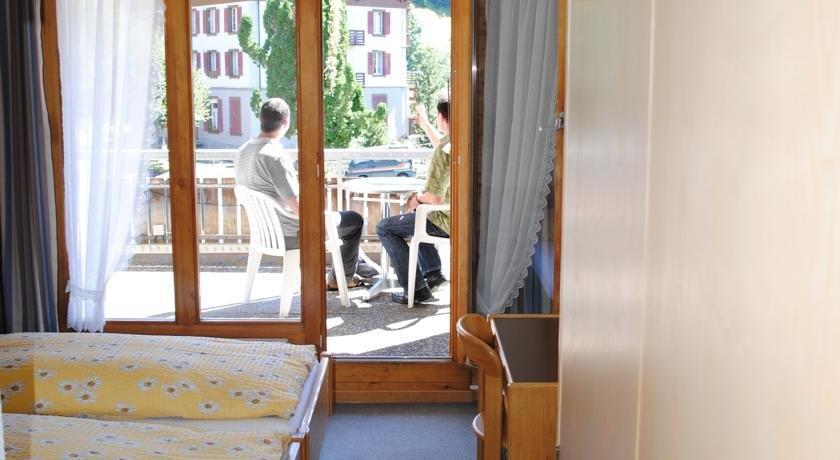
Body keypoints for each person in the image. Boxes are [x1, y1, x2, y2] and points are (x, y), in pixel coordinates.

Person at [234, 98, 376, 290]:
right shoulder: (274, 156)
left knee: (341, 227)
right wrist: (322, 217)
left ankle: (363, 270)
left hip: (264, 231)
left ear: (260, 119)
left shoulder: (243, 150)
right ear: (286, 122)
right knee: (353, 221)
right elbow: (298, 208)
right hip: (290, 231)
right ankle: (339, 279)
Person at [376, 100, 451, 304]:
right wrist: (425, 124)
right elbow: (441, 146)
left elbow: (435, 199)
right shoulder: (458, 143)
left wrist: (416, 198)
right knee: (418, 215)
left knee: (385, 228)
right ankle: (433, 275)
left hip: (444, 220)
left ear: (441, 117)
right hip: (459, 216)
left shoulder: (445, 148)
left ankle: (416, 289)